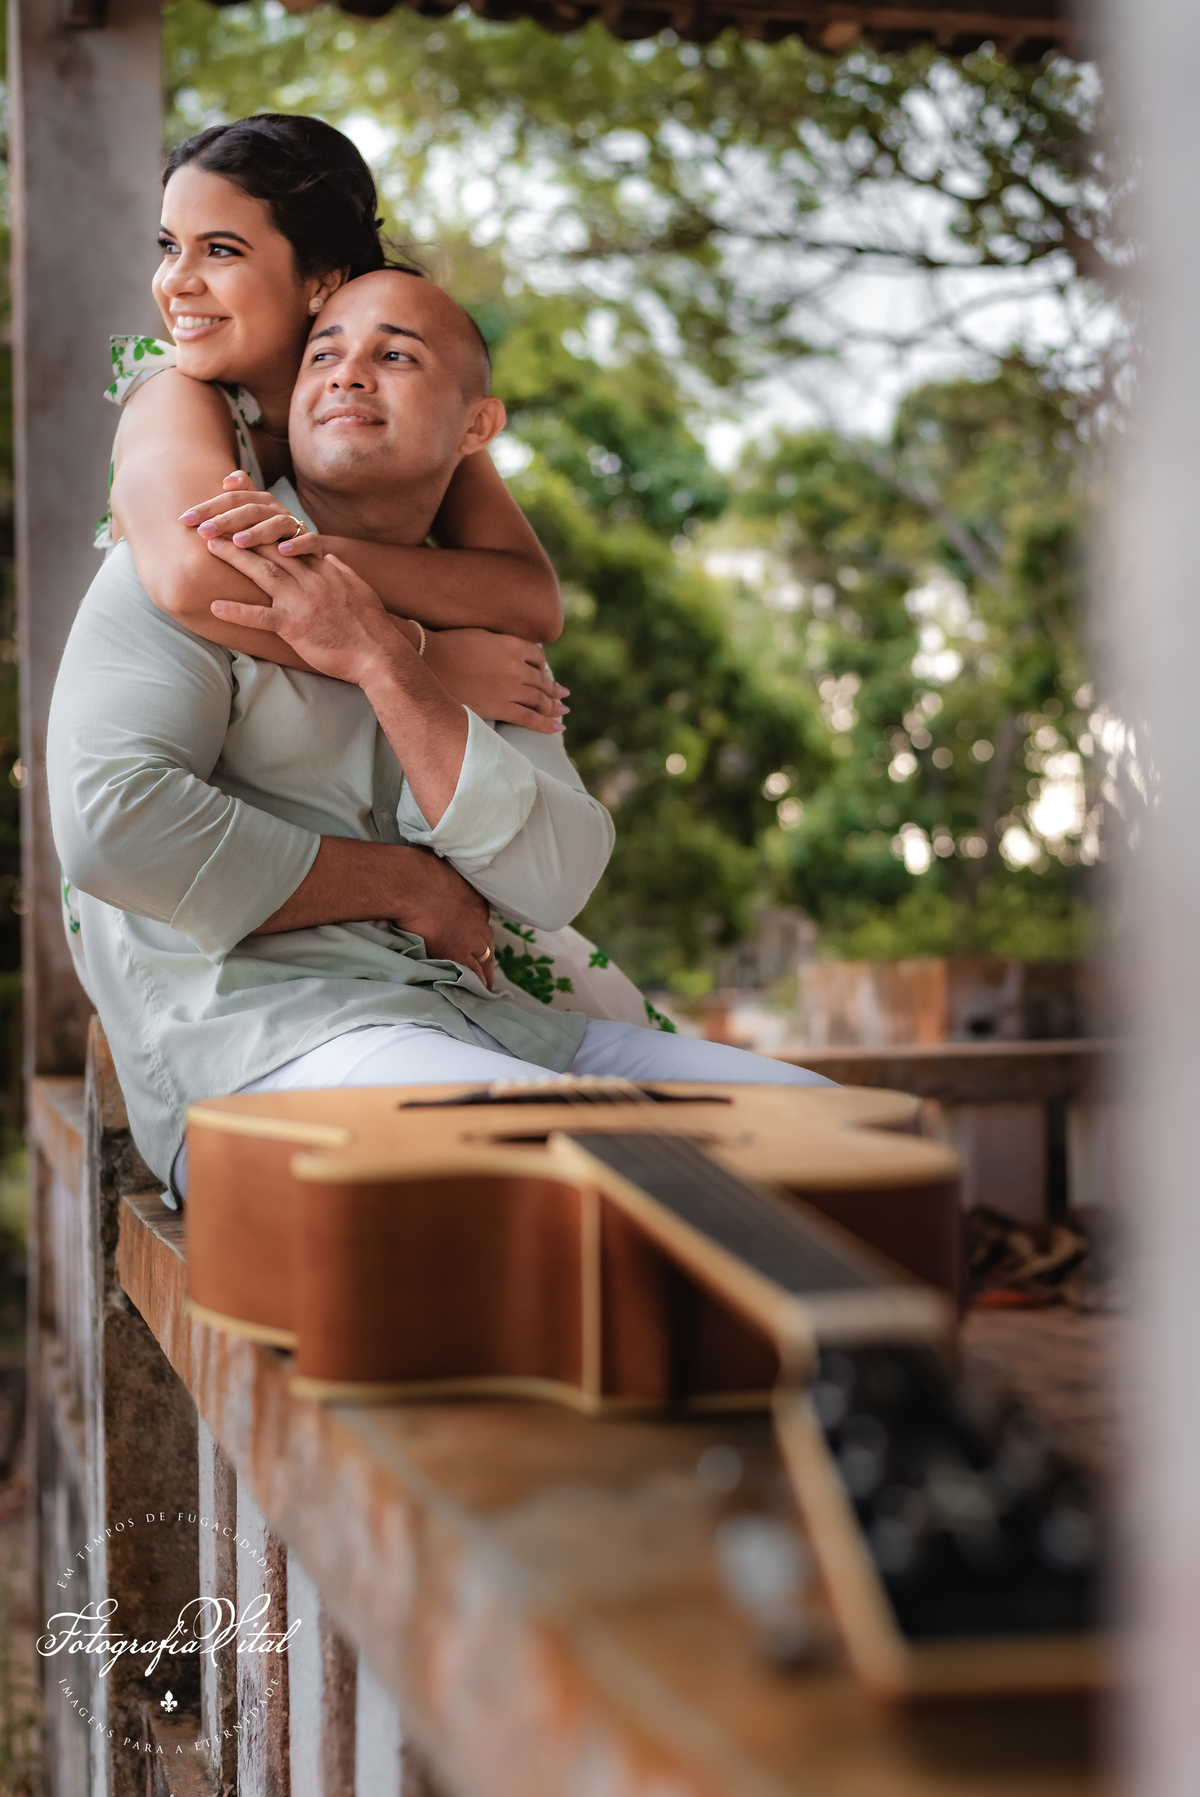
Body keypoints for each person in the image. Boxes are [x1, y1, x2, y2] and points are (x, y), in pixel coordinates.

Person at [48, 270, 832, 1199]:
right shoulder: (191, 552)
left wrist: (386, 662)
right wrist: (403, 882)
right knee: (590, 1167)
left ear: (476, 430)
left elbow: (552, 877)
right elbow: (114, 826)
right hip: (263, 1040)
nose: (347, 375)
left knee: (837, 1141)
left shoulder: (474, 614)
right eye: (325, 353)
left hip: (482, 1024)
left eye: (395, 356)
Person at [95, 108, 652, 1024]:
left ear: (323, 280)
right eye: (169, 244)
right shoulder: (176, 392)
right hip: (202, 847)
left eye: (220, 250)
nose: (174, 283)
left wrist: (311, 553)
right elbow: (195, 574)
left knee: (590, 1030)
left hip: (357, 777)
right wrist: (416, 656)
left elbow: (528, 595)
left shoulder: (398, 405)